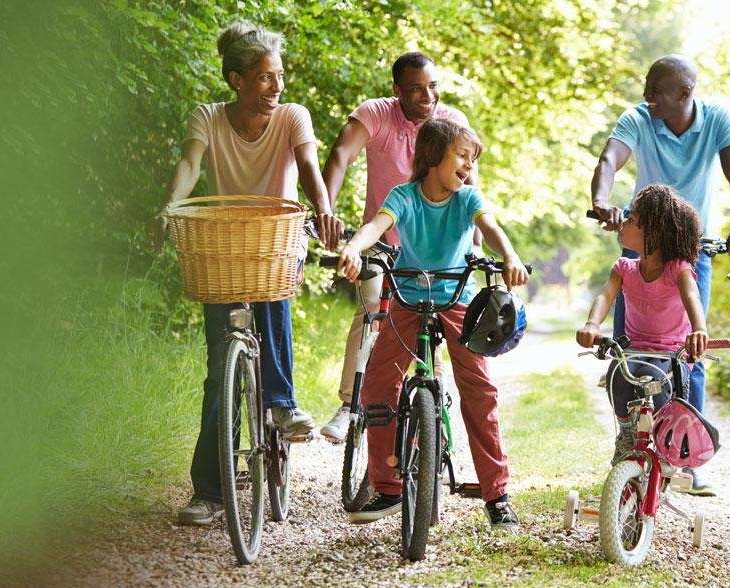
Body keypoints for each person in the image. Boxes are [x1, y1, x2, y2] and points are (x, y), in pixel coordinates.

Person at [165, 22, 340, 526]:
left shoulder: (291, 118)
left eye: (279, 76)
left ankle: (283, 404)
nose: (276, 87)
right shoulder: (209, 118)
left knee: (272, 297)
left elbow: (308, 166)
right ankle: (209, 493)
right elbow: (190, 163)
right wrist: (172, 204)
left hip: (273, 241)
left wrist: (322, 208)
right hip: (223, 245)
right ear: (236, 79)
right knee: (219, 374)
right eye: (265, 78)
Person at [333, 119, 528, 529]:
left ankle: (497, 495)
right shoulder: (404, 196)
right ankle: (387, 485)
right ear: (433, 156)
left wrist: (509, 256)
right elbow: (377, 227)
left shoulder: (467, 199)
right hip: (407, 299)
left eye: (472, 160)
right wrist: (352, 247)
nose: (468, 167)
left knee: (480, 390)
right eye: (462, 156)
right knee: (378, 384)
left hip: (455, 299)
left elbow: (490, 228)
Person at [319, 52, 475, 445]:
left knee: (433, 321)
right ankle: (351, 404)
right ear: (396, 90)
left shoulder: (452, 122)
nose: (428, 97)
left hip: (437, 251)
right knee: (373, 309)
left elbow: (470, 182)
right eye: (416, 89)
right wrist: (326, 210)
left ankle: (431, 409)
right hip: (383, 241)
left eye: (433, 87)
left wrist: (472, 243)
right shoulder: (376, 114)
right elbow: (341, 154)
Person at [586, 56, 730, 425]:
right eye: (646, 88)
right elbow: (609, 160)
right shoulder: (638, 118)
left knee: (693, 349)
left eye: (655, 90)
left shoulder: (718, 119)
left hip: (693, 250)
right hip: (641, 246)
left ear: (685, 93)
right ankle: (631, 444)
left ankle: (688, 451)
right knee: (626, 351)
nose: (647, 97)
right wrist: (600, 201)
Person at [577, 184, 714, 493]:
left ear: (655, 233)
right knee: (618, 376)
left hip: (670, 354)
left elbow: (692, 296)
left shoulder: (677, 269)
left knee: (654, 381)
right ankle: (627, 433)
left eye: (632, 220)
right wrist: (592, 324)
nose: (623, 224)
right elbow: (605, 296)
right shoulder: (624, 268)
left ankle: (666, 444)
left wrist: (699, 329)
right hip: (634, 350)